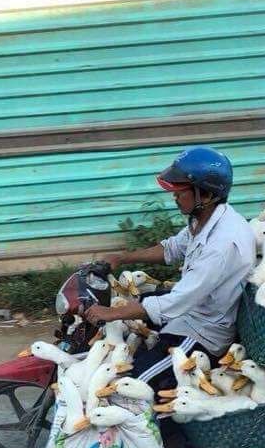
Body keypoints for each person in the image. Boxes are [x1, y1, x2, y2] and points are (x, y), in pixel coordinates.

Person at [85, 146, 256, 392]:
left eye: (180, 191)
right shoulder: (205, 219)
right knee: (129, 308)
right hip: (190, 311)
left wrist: (111, 314)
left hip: (200, 332)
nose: (174, 196)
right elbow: (172, 248)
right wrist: (121, 258)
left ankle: (167, 428)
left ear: (205, 195)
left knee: (131, 384)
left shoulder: (221, 245)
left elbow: (177, 301)